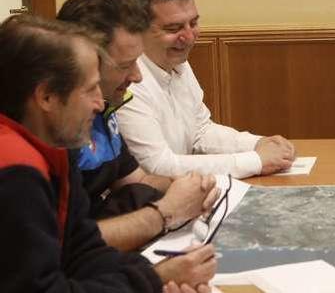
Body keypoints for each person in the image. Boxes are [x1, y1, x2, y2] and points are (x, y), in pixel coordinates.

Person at [0, 14, 215, 292]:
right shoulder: (15, 172)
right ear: (47, 97)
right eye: (89, 90)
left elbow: (82, 251)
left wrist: (159, 276)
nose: (100, 104)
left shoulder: (56, 149)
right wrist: (155, 279)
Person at [57, 0, 219, 252]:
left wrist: (190, 188)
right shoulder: (53, 131)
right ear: (84, 64)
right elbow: (68, 242)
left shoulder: (103, 111)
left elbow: (138, 181)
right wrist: (164, 213)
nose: (137, 77)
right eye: (124, 66)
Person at [117, 0, 295, 178]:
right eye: (174, 29)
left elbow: (200, 132)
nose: (189, 37)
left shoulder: (176, 60)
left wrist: (257, 143)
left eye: (193, 23)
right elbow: (157, 167)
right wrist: (256, 161)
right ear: (138, 29)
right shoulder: (126, 82)